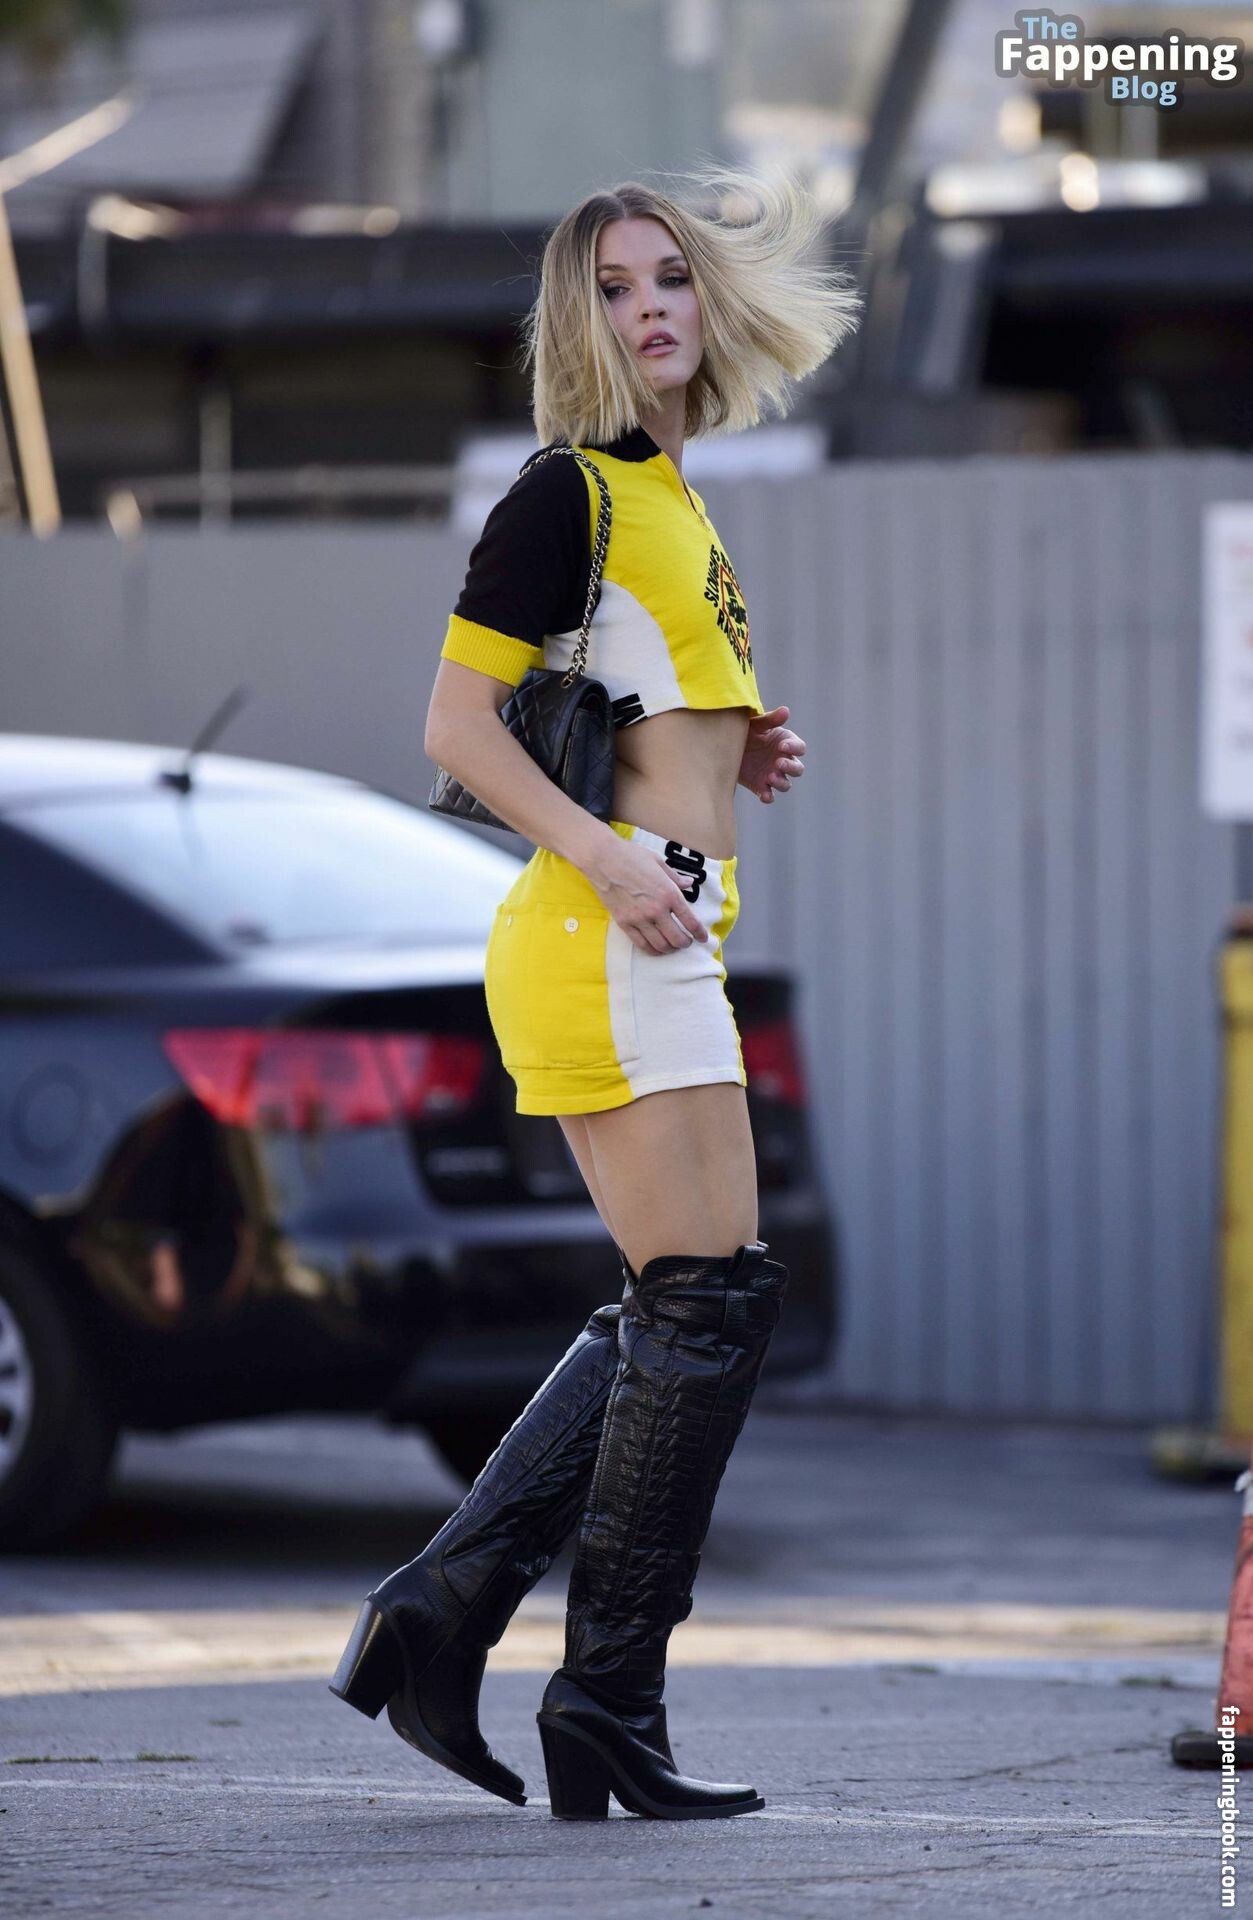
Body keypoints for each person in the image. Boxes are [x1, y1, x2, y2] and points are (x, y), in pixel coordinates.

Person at [330, 164, 860, 1820]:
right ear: (580, 321)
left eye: (669, 280)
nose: (649, 311)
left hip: (654, 921)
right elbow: (454, 725)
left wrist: (727, 748)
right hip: (605, 930)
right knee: (704, 1306)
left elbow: (624, 700)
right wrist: (618, 857)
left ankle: (450, 1620)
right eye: (615, 289)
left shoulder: (669, 497)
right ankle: (599, 1697)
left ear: (708, 300)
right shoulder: (566, 490)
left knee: (687, 1304)